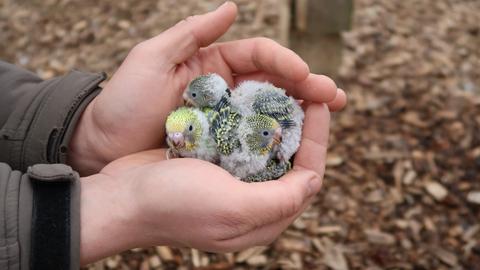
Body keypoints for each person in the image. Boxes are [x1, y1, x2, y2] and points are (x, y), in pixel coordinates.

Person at [0, 2, 347, 269]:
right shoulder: (210, 129)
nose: (178, 142)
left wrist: (89, 134)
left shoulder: (238, 122)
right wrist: (111, 207)